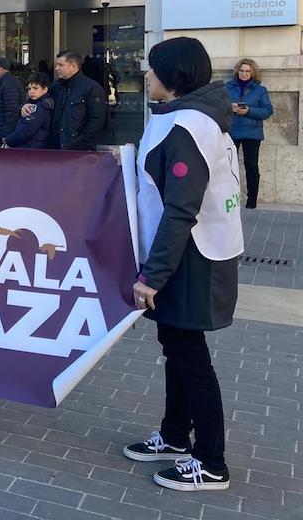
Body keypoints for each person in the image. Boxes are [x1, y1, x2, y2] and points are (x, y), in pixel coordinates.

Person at [124, 36, 242, 492]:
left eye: (152, 70)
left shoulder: (188, 127)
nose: (146, 76)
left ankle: (211, 461)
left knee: (191, 357)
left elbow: (180, 210)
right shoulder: (183, 116)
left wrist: (151, 277)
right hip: (185, 251)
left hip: (191, 255)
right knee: (176, 349)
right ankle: (175, 435)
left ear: (172, 78)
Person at [225, 58, 273, 209]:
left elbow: (268, 111)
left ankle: (252, 200)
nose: (244, 74)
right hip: (232, 131)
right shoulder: (228, 87)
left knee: (251, 166)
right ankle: (228, 197)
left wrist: (248, 111)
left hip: (252, 133)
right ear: (237, 71)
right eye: (241, 71)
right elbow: (218, 105)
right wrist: (229, 108)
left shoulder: (260, 90)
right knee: (228, 166)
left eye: (247, 71)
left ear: (252, 73)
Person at [47, 50, 106, 151]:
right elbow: (42, 105)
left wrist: (82, 143)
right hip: (55, 149)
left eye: (60, 65)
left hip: (80, 151)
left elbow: (96, 121)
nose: (56, 68)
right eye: (56, 65)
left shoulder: (92, 88)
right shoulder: (55, 87)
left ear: (73, 66)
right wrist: (25, 106)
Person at [1, 72, 53, 149]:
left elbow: (26, 130)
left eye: (35, 88)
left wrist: (8, 140)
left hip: (32, 151)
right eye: (29, 89)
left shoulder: (41, 107)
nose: (31, 91)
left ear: (45, 89)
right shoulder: (34, 104)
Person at [0, 57, 22, 147]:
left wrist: (6, 136)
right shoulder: (4, 83)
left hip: (9, 137)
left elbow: (12, 111)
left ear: (0, 69)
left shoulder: (9, 85)